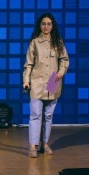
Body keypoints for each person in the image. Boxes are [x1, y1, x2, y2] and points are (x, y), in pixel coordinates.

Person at [23, 13, 69, 158]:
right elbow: (29, 64)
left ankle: (45, 144)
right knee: (35, 115)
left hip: (53, 80)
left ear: (52, 26)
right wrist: (26, 80)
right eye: (43, 24)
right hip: (37, 81)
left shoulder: (58, 42)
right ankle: (33, 146)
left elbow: (64, 60)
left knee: (48, 115)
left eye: (49, 24)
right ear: (40, 25)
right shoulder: (35, 42)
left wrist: (60, 73)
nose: (46, 26)